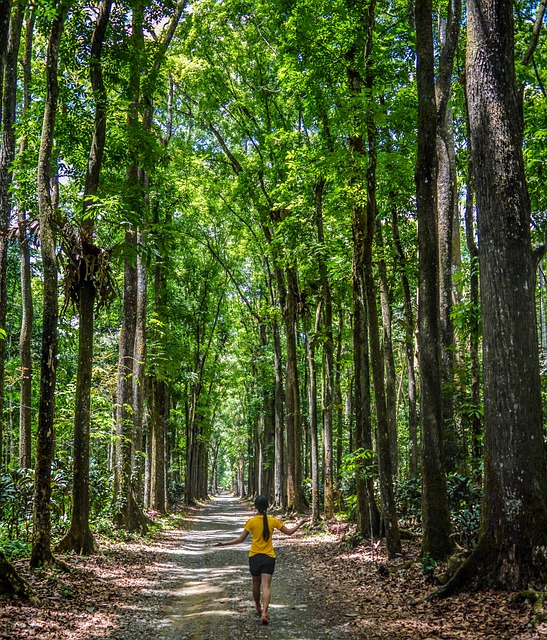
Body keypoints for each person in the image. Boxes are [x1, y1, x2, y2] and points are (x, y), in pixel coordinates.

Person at [215, 495, 308, 625]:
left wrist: (224, 544)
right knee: (266, 586)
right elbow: (290, 532)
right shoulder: (273, 521)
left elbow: (240, 540)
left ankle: (257, 606)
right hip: (269, 557)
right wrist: (301, 523)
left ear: (255, 507)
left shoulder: (251, 522)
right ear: (267, 506)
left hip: (255, 557)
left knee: (255, 583)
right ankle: (264, 613)